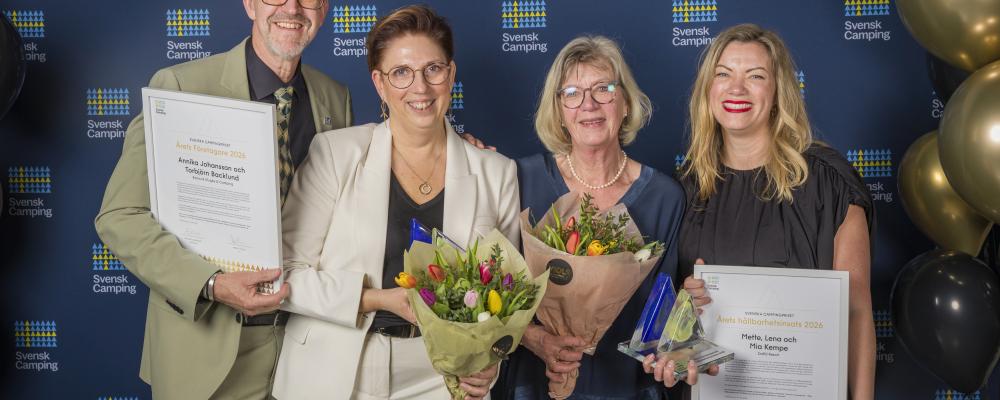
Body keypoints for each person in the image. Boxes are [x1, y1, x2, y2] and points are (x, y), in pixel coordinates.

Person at [94, 0, 351, 398]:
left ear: (325, 9)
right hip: (207, 351)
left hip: (304, 355)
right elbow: (120, 216)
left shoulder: (335, 98)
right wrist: (211, 284)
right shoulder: (181, 85)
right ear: (250, 4)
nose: (293, 8)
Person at [270, 5, 518, 400]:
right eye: (401, 73)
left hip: (444, 378)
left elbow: (506, 296)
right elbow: (285, 274)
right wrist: (375, 299)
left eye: (433, 69)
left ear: (450, 75)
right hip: (337, 370)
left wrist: (490, 359)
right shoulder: (335, 155)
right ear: (380, 84)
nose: (420, 88)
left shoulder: (496, 172)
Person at [675, 23, 876, 399]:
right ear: (708, 89)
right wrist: (684, 311)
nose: (737, 88)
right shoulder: (684, 191)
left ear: (778, 91)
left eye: (755, 76)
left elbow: (856, 310)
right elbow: (672, 332)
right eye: (724, 74)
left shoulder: (829, 182)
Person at [494, 35, 689, 399]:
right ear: (559, 110)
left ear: (626, 102)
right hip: (535, 382)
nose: (589, 104)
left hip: (628, 386)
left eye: (604, 89)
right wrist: (538, 339)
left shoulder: (665, 197)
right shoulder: (518, 179)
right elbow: (495, 293)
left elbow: (665, 313)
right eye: (572, 92)